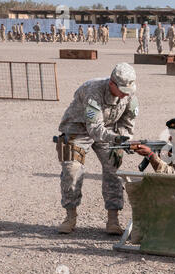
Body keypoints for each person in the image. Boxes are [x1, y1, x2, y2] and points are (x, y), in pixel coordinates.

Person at [56, 63, 139, 235]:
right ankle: (70, 216)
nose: (125, 94)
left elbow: (127, 123)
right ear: (111, 83)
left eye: (128, 90)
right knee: (72, 169)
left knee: (114, 168)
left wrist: (123, 139)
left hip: (108, 130)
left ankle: (113, 219)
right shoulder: (92, 91)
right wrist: (116, 138)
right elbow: (94, 129)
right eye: (122, 89)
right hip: (76, 129)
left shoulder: (129, 94)